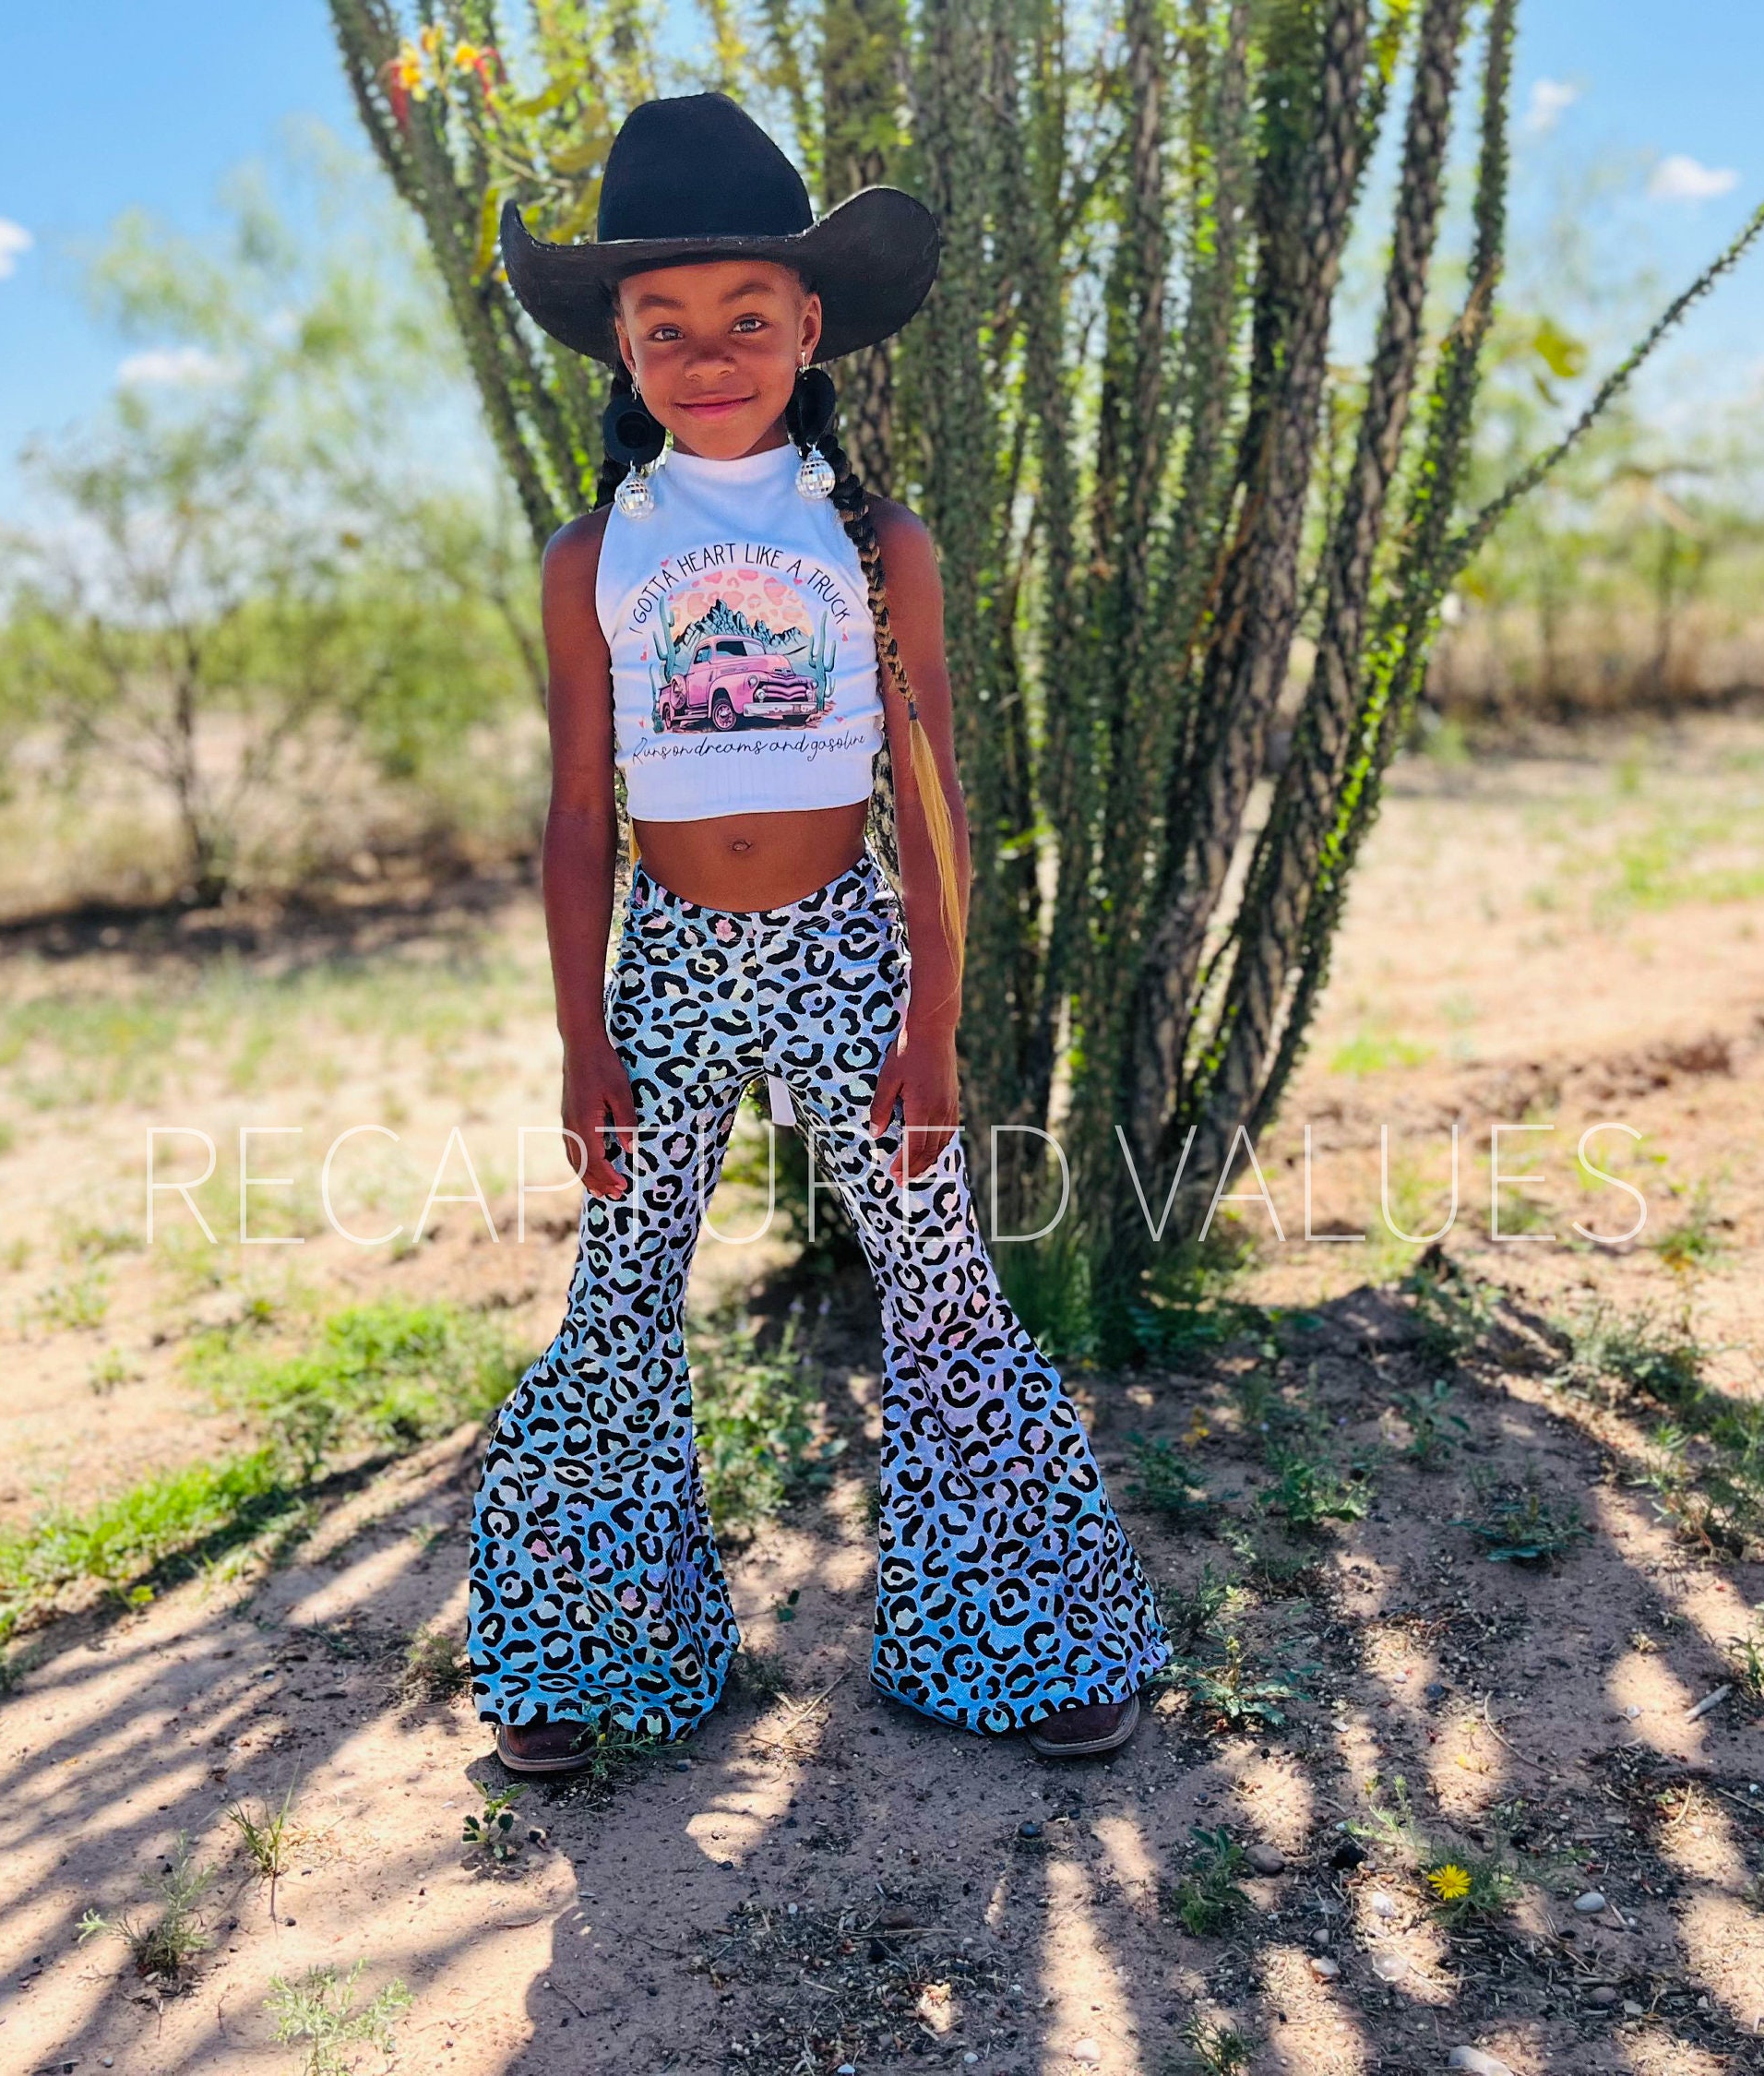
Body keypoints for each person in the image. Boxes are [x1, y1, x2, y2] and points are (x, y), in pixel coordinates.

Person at [470, 92, 1169, 1774]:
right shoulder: (595, 558)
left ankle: (1022, 1643)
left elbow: (928, 797)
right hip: (667, 963)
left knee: (939, 1283)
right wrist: (585, 1038)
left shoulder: (876, 545)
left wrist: (930, 1018)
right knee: (621, 1287)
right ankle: (591, 1655)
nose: (709, 353)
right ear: (622, 350)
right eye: (668, 327)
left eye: (746, 321)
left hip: (849, 945)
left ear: (810, 329)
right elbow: (580, 814)